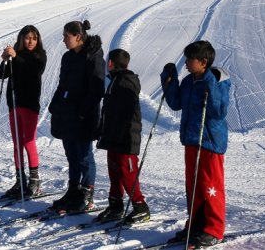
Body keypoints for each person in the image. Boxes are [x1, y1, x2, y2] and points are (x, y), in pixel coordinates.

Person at [161, 41, 230, 248]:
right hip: (191, 140)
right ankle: (196, 225)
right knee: (193, 186)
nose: (186, 63)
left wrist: (209, 83)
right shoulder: (188, 81)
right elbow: (176, 103)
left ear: (203, 62)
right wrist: (169, 80)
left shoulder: (218, 81)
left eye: (190, 59)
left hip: (209, 142)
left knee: (211, 186)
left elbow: (219, 111)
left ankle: (214, 229)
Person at [48, 20, 105, 212]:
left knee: (84, 155)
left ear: (78, 37)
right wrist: (55, 105)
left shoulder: (93, 57)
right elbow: (62, 84)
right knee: (71, 154)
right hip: (67, 112)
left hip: (84, 115)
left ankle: (87, 194)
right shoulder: (68, 57)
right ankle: (73, 191)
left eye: (66, 36)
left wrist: (83, 112)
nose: (64, 40)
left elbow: (97, 89)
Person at [96, 49, 150, 223]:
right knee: (114, 172)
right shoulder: (115, 81)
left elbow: (127, 113)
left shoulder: (125, 82)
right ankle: (115, 205)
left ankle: (140, 206)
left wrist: (120, 133)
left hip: (126, 137)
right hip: (114, 136)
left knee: (127, 173)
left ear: (111, 63)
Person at [0, 25, 47, 199]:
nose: (31, 41)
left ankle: (34, 181)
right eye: (27, 38)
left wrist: (16, 56)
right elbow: (1, 74)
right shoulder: (16, 55)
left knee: (28, 141)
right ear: (21, 39)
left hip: (29, 104)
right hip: (14, 103)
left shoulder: (39, 55)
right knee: (17, 143)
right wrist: (5, 59)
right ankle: (20, 180)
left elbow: (35, 69)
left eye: (34, 38)